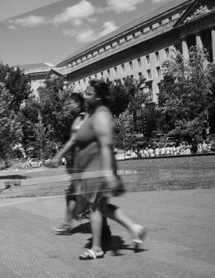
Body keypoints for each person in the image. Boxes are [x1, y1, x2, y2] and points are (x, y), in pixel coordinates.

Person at [73, 80, 146, 260]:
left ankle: (97, 248)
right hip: (90, 171)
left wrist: (108, 174)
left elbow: (106, 146)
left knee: (96, 207)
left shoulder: (102, 115)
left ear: (98, 97)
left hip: (98, 170)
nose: (85, 96)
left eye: (89, 94)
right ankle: (134, 229)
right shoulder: (93, 114)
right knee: (101, 207)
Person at [49, 93, 88, 234]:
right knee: (72, 193)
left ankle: (131, 228)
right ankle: (68, 224)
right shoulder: (78, 118)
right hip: (79, 163)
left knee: (93, 199)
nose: (67, 106)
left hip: (85, 164)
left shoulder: (82, 119)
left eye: (69, 103)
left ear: (77, 104)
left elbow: (74, 141)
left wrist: (58, 156)